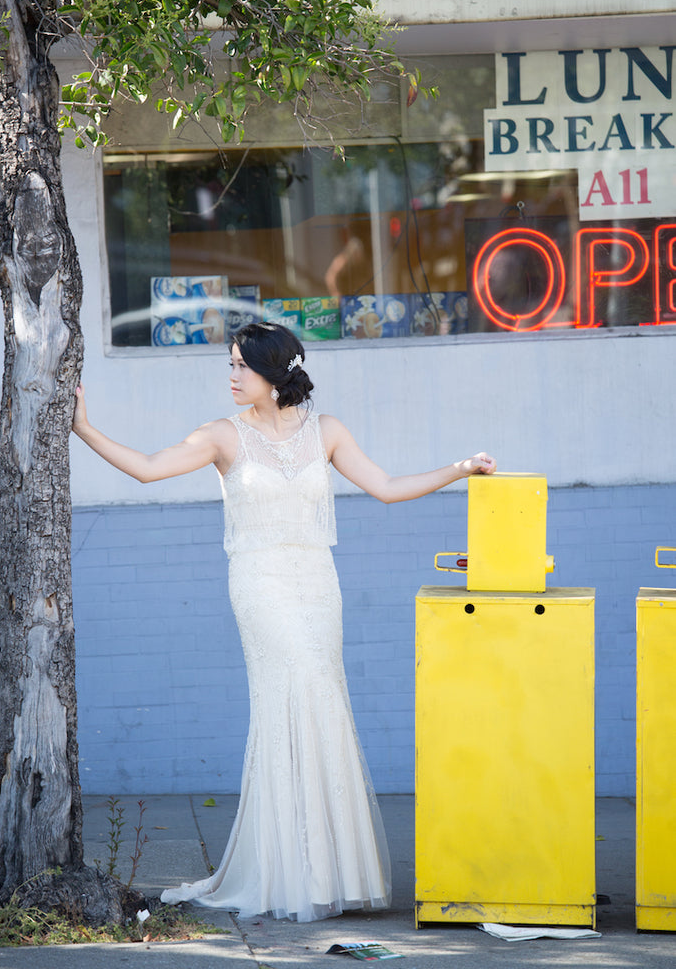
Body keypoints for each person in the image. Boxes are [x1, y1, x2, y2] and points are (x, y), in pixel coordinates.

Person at [72, 321, 496, 923]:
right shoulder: (222, 435)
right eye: (230, 364)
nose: (231, 375)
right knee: (289, 700)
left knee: (323, 702)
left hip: (318, 585)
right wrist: (84, 427)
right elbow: (146, 467)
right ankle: (287, 873)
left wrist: (460, 468)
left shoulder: (327, 430)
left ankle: (330, 872)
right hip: (261, 585)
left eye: (241, 365)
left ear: (273, 373)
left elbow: (386, 487)